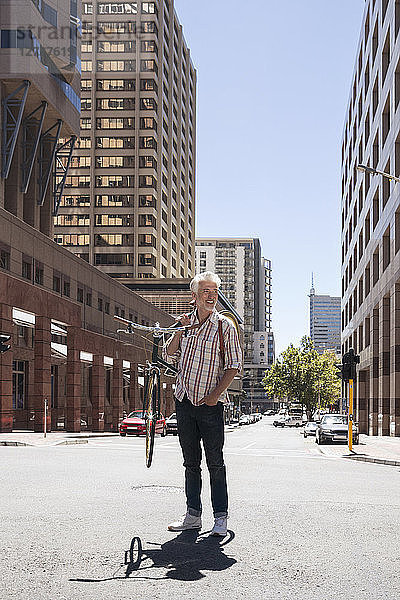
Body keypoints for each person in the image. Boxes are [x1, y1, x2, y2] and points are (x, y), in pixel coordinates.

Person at [163, 271, 242, 536]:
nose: (211, 296)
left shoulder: (224, 327)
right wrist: (178, 328)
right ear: (194, 296)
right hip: (184, 401)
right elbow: (168, 353)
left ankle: (220, 518)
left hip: (210, 406)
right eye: (206, 291)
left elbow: (233, 366)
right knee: (190, 463)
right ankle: (193, 515)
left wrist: (214, 396)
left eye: (214, 291)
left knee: (215, 463)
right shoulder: (185, 325)